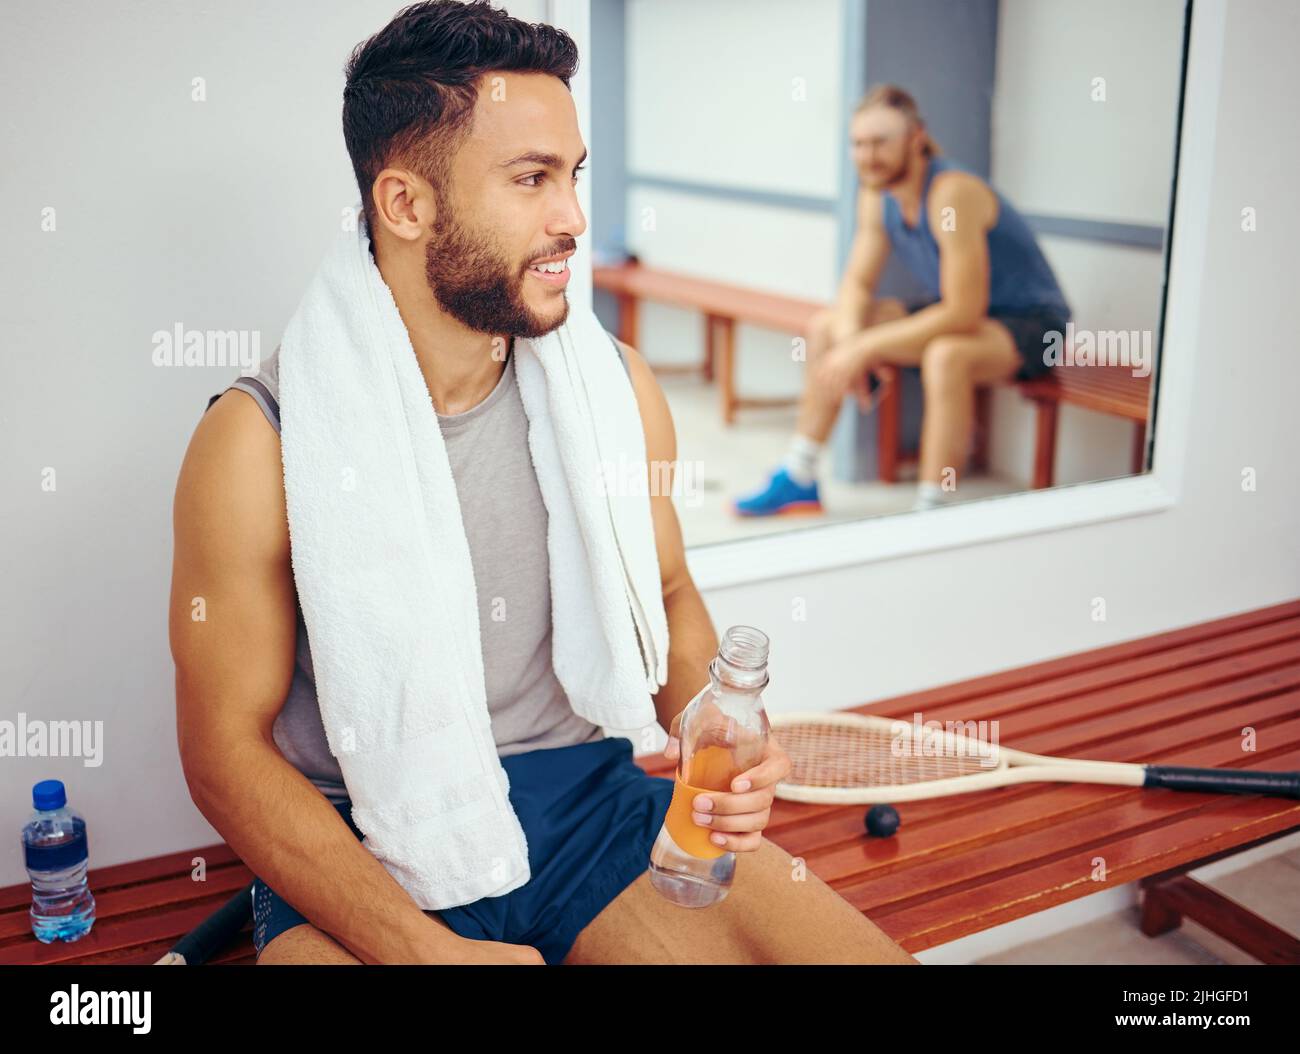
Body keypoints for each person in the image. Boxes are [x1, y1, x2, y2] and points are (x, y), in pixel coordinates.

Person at [170, 1, 916, 966]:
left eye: (572, 175)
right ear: (405, 204)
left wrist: (711, 735)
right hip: (363, 839)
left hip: (586, 806)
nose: (572, 218)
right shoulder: (256, 443)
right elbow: (224, 754)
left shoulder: (613, 389)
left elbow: (674, 594)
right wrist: (419, 951)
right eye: (531, 180)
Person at [734, 83, 1071, 515]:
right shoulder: (877, 193)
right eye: (857, 144)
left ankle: (933, 508)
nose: (867, 156)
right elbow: (857, 283)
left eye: (880, 143)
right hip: (964, 313)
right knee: (827, 326)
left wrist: (864, 348)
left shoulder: (952, 193)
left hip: (1033, 324)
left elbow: (963, 312)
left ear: (916, 138)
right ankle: (799, 475)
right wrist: (852, 339)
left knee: (946, 355)